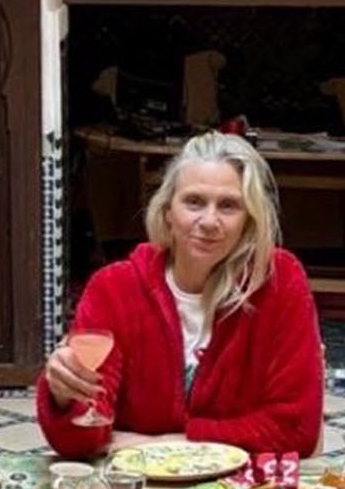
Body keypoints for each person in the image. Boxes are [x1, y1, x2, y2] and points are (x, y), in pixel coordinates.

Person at [36, 130, 324, 459]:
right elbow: (81, 437)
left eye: (228, 206)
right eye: (194, 202)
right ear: (167, 212)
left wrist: (170, 443)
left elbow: (295, 430)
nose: (209, 221)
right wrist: (62, 396)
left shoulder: (278, 281)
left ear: (248, 221)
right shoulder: (113, 289)